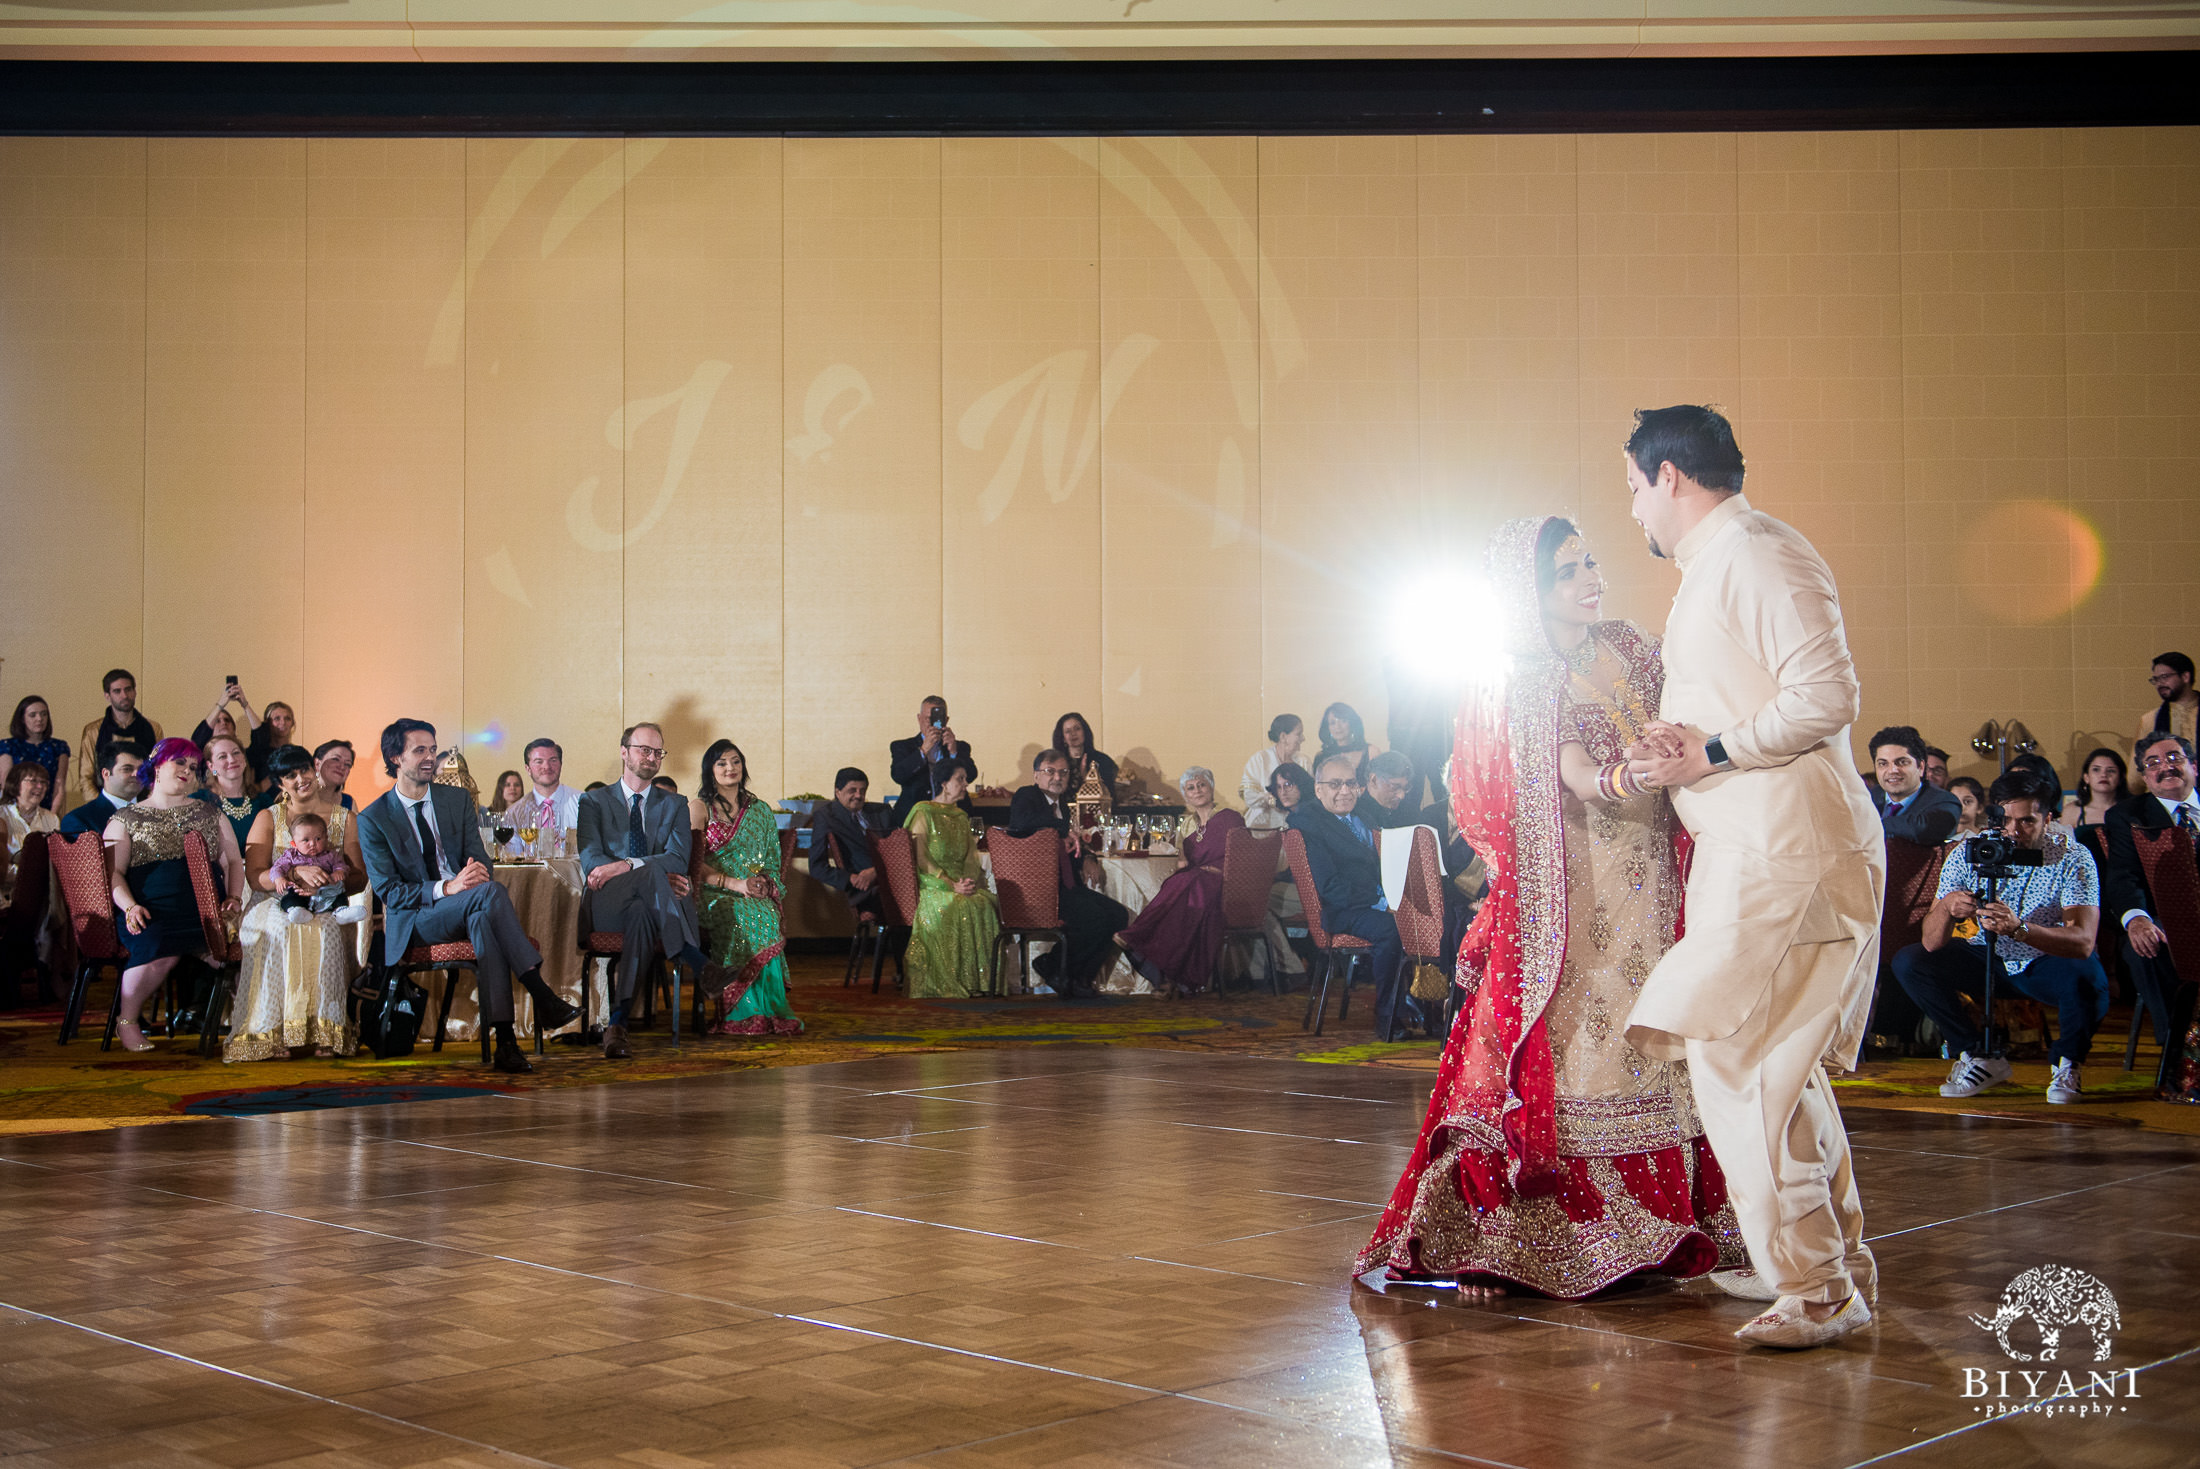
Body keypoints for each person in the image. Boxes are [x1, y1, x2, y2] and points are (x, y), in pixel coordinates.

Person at [1358, 516, 1741, 1298]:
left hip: (1656, 879)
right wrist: (1628, 777)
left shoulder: (1632, 645)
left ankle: (1669, 1226)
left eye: (1591, 562)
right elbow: (1573, 773)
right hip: (1575, 893)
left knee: (1656, 1035)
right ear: (1530, 591)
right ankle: (1514, 1238)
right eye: (1569, 572)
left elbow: (1686, 710)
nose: (1591, 579)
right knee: (1577, 1045)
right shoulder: (1525, 678)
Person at [1620, 404, 1883, 1350]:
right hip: (1761, 844)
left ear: (1672, 477)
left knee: (1737, 1056)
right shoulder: (1717, 566)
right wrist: (1682, 751)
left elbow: (1827, 694)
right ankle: (1829, 1266)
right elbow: (1736, 714)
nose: (1634, 510)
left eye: (1635, 488)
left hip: (1790, 849)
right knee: (1775, 1063)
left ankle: (1814, 1286)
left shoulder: (1760, 551)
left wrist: (1713, 749)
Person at [357, 719, 575, 1073]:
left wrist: (469, 881)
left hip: (469, 902)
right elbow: (389, 891)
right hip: (417, 917)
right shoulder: (374, 818)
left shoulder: (455, 799)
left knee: (483, 917)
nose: (430, 757)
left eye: (432, 748)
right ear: (395, 757)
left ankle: (506, 1043)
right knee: (487, 897)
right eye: (419, 750)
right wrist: (448, 887)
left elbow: (481, 859)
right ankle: (540, 992)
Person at [1893, 767, 2108, 1102]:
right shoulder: (1970, 853)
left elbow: (2082, 942)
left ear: (2048, 818)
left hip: (2041, 960)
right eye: (2005, 820)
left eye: (2026, 821)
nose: (2013, 831)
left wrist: (2021, 929)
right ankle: (1976, 1055)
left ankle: (2067, 1063)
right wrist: (1948, 906)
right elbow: (1931, 942)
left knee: (2088, 975)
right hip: (1987, 957)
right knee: (1910, 961)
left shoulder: (2072, 857)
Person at [103, 739, 246, 1052]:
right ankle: (126, 1021)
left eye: (193, 767)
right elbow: (112, 874)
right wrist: (129, 907)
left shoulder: (210, 813)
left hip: (205, 911)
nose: (187, 771)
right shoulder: (125, 818)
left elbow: (233, 861)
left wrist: (234, 897)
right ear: (157, 765)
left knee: (247, 946)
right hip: (151, 910)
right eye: (180, 762)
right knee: (158, 948)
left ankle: (251, 1024)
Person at [229, 744, 369, 1061]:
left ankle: (325, 1030)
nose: (300, 779)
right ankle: (275, 1031)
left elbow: (360, 877)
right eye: (290, 775)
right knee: (282, 926)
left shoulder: (343, 818)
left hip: (327, 901)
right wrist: (294, 873)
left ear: (314, 769)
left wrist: (333, 879)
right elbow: (255, 876)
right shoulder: (268, 817)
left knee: (328, 929)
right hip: (275, 899)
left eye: (304, 770)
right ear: (280, 783)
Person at [577, 723, 704, 1059]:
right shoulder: (593, 801)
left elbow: (678, 858)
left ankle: (617, 1024)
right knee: (651, 874)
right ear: (624, 752)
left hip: (649, 909)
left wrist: (627, 864)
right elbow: (591, 861)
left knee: (641, 913)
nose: (651, 757)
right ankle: (697, 961)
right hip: (606, 903)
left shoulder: (676, 804)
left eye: (657, 751)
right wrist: (643, 869)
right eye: (643, 749)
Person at [2101, 729, 2199, 1078]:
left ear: (2194, 766)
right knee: (2144, 947)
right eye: (2153, 763)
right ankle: (2177, 1052)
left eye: (2174, 758)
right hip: (2164, 918)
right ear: (2144, 776)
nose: (2165, 767)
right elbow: (2123, 876)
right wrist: (2136, 919)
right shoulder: (2129, 816)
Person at [1290, 752, 1407, 1041]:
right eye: (1335, 784)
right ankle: (1389, 1016)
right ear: (1318, 789)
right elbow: (1330, 886)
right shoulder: (1309, 822)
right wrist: (1382, 903)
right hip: (1343, 908)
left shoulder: (1365, 816)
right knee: (1391, 930)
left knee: (1436, 918)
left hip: (1377, 901)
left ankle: (1424, 1007)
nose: (1345, 791)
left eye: (1350, 783)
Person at [689, 740, 801, 1035]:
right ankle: (741, 1010)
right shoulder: (699, 808)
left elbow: (772, 863)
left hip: (751, 891)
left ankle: (770, 1008)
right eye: (722, 763)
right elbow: (693, 863)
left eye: (736, 761)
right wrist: (733, 883)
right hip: (714, 893)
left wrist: (764, 883)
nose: (730, 768)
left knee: (763, 911)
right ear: (710, 770)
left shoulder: (760, 810)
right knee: (742, 912)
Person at [1005, 749, 1130, 995]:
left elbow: (1073, 841)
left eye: (1063, 772)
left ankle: (1079, 978)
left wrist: (1089, 857)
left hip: (1066, 886)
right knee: (1095, 919)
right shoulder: (1027, 796)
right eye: (1049, 771)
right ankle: (1053, 965)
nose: (1057, 777)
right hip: (1039, 891)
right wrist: (1064, 828)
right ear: (1036, 776)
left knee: (1117, 915)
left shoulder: (1063, 804)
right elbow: (1023, 823)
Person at [1116, 767, 1244, 994]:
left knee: (1181, 884)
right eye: (1191, 788)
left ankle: (1138, 935)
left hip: (1222, 882)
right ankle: (1164, 976)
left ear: (1212, 787)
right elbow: (1182, 859)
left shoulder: (1230, 817)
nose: (1198, 791)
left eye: (1202, 785)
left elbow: (1239, 856)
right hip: (1197, 881)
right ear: (1185, 795)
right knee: (1176, 886)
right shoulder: (1186, 825)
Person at [903, 757, 997, 997]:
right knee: (959, 905)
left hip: (959, 885)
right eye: (960, 779)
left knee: (985, 903)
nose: (965, 784)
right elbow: (921, 858)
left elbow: (969, 858)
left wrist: (966, 881)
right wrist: (950, 884)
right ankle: (952, 981)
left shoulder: (960, 816)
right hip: (933, 885)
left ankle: (981, 981)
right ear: (944, 783)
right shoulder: (923, 812)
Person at [809, 767, 888, 918]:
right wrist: (851, 878)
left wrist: (877, 870)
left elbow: (899, 848)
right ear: (837, 792)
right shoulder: (826, 817)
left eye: (862, 790)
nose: (858, 796)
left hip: (894, 876)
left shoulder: (882, 811)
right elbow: (817, 866)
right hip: (865, 888)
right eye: (852, 790)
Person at [75, 669, 161, 803]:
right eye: (117, 691)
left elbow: (158, 771)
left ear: (135, 692)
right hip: (104, 802)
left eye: (128, 689)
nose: (124, 695)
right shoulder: (93, 731)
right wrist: (100, 807)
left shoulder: (153, 728)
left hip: (144, 802)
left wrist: (150, 803)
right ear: (107, 696)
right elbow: (86, 777)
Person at [1869, 725, 1961, 846]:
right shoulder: (1866, 798)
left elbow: (1923, 829)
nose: (1892, 770)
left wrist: (1869, 826)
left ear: (1921, 767)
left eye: (1902, 762)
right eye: (1883, 764)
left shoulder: (1945, 801)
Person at [889, 696, 972, 828]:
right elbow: (898, 775)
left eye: (937, 719)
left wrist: (953, 753)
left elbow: (971, 775)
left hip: (953, 816)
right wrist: (923, 750)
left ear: (946, 720)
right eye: (928, 719)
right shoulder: (902, 746)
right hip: (915, 818)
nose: (932, 724)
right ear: (919, 718)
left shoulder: (960, 747)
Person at [196, 733, 275, 853]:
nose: (232, 760)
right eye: (222, 756)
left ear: (244, 758)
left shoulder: (264, 802)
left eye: (236, 753)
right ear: (211, 766)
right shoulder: (199, 801)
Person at [2, 760, 60, 906]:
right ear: (16, 785)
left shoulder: (51, 818)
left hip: (40, 897)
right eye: (33, 781)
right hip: (5, 895)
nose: (40, 787)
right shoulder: (1, 815)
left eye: (44, 782)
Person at [0, 695, 70, 815]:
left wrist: (51, 816)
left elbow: (59, 786)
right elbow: (6, 782)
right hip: (15, 810)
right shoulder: (8, 746)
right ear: (22, 718)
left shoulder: (58, 747)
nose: (39, 719)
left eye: (44, 714)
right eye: (33, 715)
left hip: (48, 808)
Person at [1241, 715, 1304, 831]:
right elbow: (1249, 796)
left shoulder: (1304, 762)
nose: (1303, 738)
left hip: (1296, 827)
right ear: (1283, 736)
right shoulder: (1260, 759)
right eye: (1299, 734)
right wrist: (1272, 800)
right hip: (1262, 828)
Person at [61, 745, 142, 836]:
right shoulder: (79, 819)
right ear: (106, 774)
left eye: (141, 769)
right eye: (127, 769)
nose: (137, 774)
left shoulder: (153, 813)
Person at [513, 739, 583, 837]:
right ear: (528, 769)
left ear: (560, 764)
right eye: (539, 762)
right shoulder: (516, 812)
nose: (546, 766)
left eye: (553, 760)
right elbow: (512, 851)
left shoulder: (581, 802)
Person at [1052, 712, 1118, 807]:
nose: (1073, 734)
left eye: (1077, 729)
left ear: (1085, 732)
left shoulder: (1102, 760)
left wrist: (1085, 776)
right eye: (1068, 731)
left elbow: (1109, 795)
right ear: (1063, 739)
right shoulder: (1056, 762)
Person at [2137, 651, 2199, 747]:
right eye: (2156, 679)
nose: (2159, 684)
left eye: (2164, 677)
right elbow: (2140, 759)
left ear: (2185, 677)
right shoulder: (2150, 720)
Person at [2063, 747, 2129, 831]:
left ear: (2120, 777)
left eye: (2111, 771)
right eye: (2096, 769)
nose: (2104, 775)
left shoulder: (2132, 809)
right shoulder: (2071, 811)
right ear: (2086, 777)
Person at [1355, 750, 1422, 830]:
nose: (1401, 796)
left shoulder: (1409, 814)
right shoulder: (1356, 816)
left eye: (1406, 788)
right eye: (1395, 787)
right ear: (1374, 780)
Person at [1313, 702, 1377, 783]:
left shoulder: (1371, 752)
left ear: (1352, 723)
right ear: (1327, 728)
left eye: (1343, 721)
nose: (1338, 727)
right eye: (1333, 723)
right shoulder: (1321, 757)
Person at [313, 739, 357, 811]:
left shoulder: (349, 803)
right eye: (335, 759)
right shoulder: (300, 797)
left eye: (347, 764)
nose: (342, 767)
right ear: (317, 764)